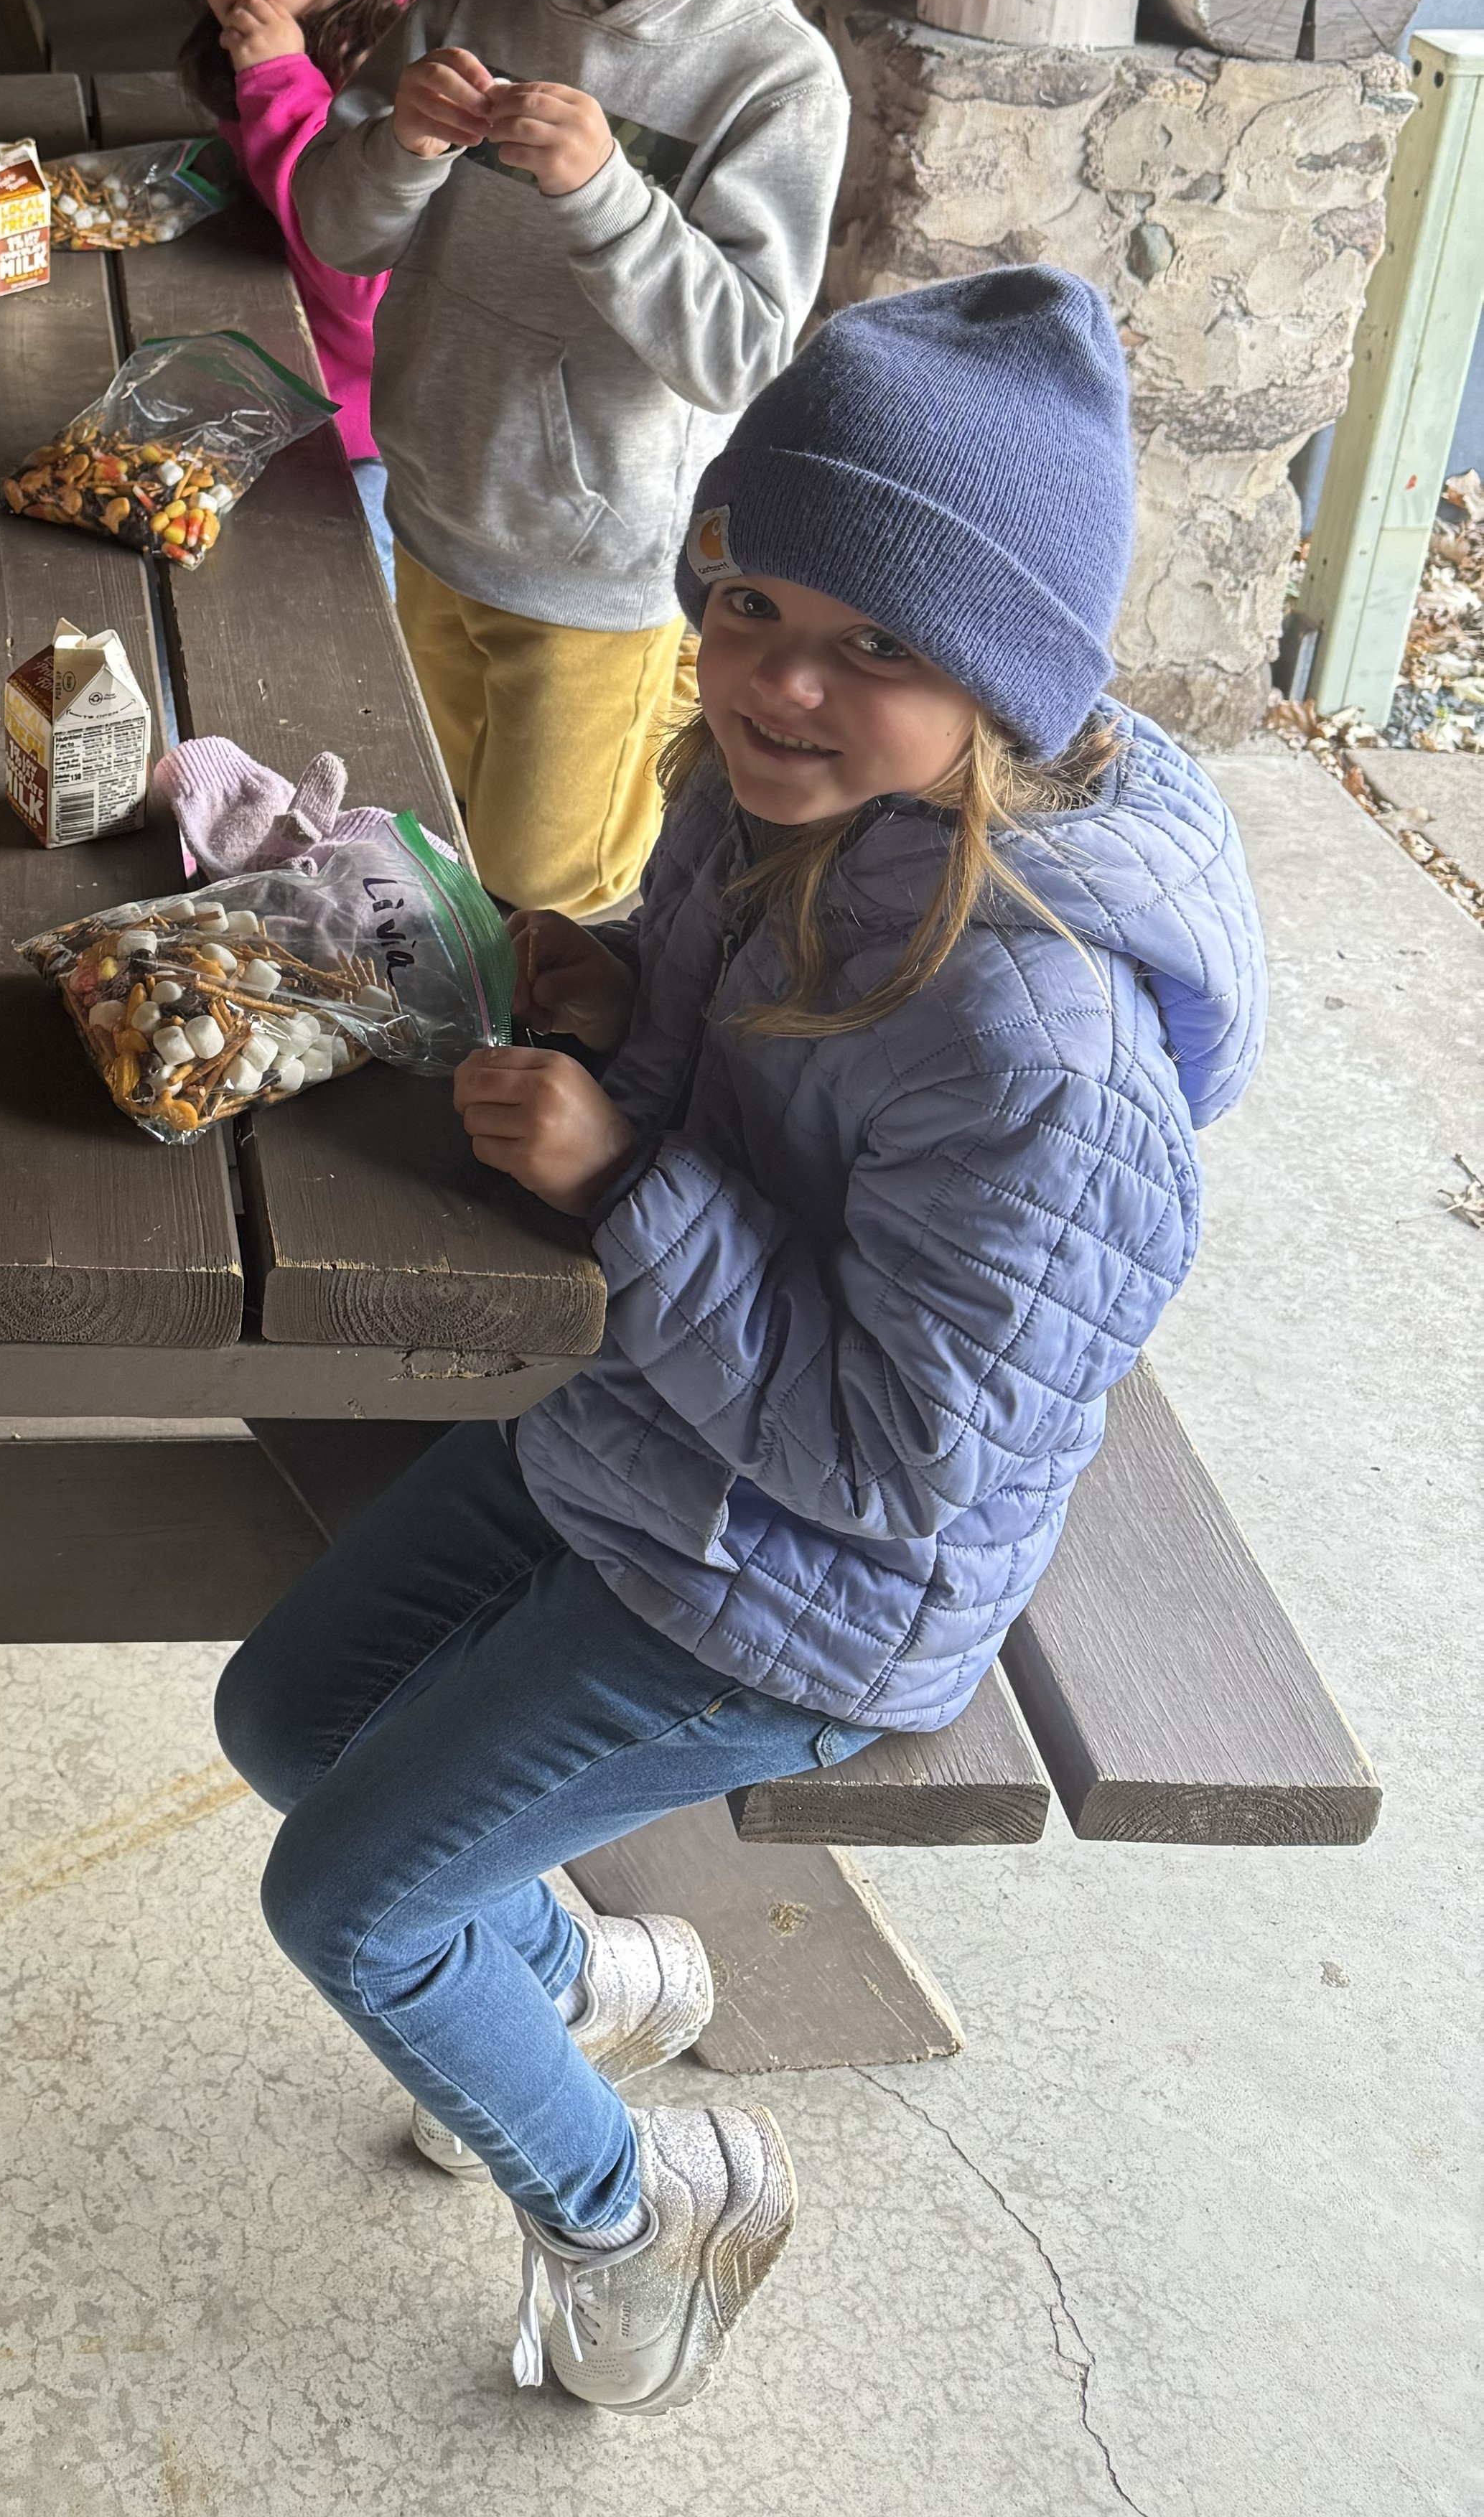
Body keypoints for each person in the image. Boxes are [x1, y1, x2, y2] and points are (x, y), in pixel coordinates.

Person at [217, 270, 1264, 2416]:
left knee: (350, 1897)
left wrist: (623, 1182)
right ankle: (581, 1979)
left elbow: (906, 1461)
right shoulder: (745, 793)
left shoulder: (1036, 1033)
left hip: (802, 1583)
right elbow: (728, 1080)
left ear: (1014, 681)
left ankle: (644, 2210)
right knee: (286, 1709)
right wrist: (621, 1019)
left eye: (882, 642)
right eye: (751, 597)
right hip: (644, 1424)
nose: (785, 678)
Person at [296, 0, 849, 915]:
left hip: (597, 581)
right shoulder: (474, 0)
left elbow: (741, 354)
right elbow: (334, 224)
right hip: (427, 517)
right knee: (416, 857)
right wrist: (402, 151)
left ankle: (557, 1098)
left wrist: (605, 193)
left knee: (548, 894)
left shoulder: (771, 83)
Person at [176, 0, 427, 581]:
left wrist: (282, 85)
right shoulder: (298, 32)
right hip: (283, 367)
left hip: (374, 437)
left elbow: (364, 300)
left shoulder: (411, 73)